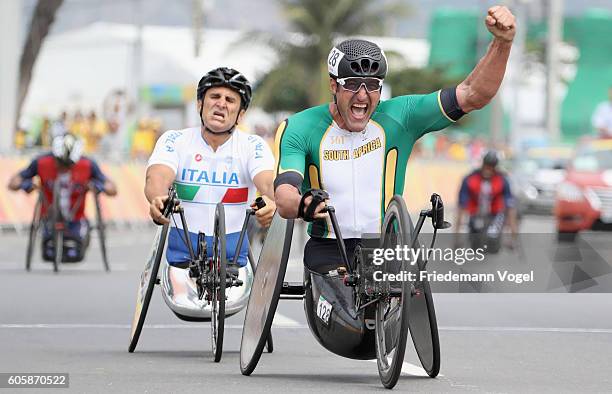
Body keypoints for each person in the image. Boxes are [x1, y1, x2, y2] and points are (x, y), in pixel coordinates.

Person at [273, 6, 516, 273]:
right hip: (329, 247)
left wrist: (502, 43)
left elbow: (472, 94)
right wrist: (304, 205)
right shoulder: (300, 127)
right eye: (353, 83)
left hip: (386, 246)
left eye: (373, 85)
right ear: (334, 86)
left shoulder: (401, 116)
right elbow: (285, 197)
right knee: (346, 311)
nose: (363, 96)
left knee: (400, 297)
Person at [145, 67, 276, 276]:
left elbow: (268, 182)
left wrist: (271, 199)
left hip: (233, 260)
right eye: (214, 96)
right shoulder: (175, 139)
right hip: (182, 257)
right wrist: (158, 198)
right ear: (200, 104)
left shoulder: (253, 144)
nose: (221, 103)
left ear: (241, 114)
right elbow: (157, 176)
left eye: (230, 100)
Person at [8, 133, 117, 261]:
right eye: (60, 163)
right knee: (48, 254)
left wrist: (98, 187)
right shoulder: (41, 162)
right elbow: (13, 182)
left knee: (75, 254)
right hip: (49, 217)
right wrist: (26, 184)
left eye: (69, 165)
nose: (64, 168)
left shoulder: (88, 164)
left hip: (76, 218)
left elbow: (112, 188)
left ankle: (82, 236)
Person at [456, 150, 518, 252]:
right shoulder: (470, 179)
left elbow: (510, 207)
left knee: (492, 239)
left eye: (492, 166)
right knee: (475, 244)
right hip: (475, 213)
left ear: (495, 167)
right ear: (483, 164)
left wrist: (513, 236)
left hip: (495, 214)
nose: (488, 169)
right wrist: (457, 236)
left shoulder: (503, 180)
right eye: (487, 165)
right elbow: (461, 207)